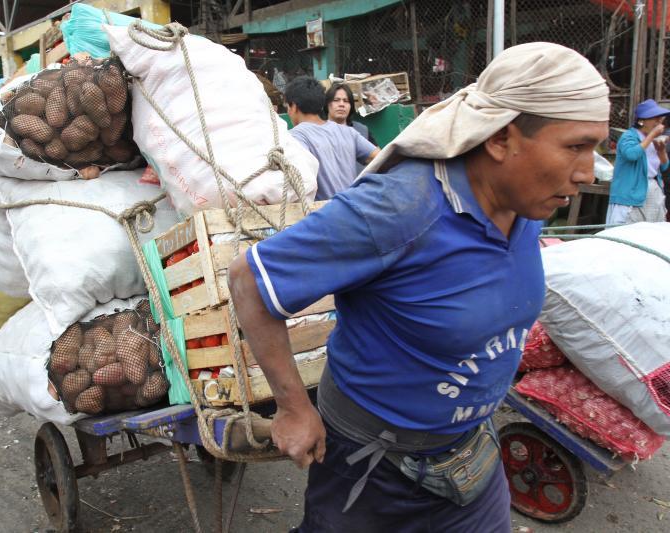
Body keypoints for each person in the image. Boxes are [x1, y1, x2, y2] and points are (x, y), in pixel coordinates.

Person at [228, 42, 610, 532]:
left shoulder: (529, 204)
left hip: (472, 453)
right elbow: (249, 279)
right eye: (575, 146)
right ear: (500, 139)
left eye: (594, 147)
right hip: (374, 468)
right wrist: (293, 408)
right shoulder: (401, 208)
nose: (587, 171)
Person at [285, 76, 379, 200]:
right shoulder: (349, 132)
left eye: (287, 107)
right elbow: (382, 157)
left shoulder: (295, 136)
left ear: (294, 107)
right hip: (353, 209)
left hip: (323, 214)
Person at [607, 99, 670, 225]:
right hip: (631, 193)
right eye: (655, 119)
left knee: (651, 233)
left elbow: (664, 167)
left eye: (660, 119)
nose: (659, 122)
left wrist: (661, 151)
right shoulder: (629, 136)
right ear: (641, 121)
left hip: (653, 191)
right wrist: (651, 136)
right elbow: (631, 155)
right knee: (626, 232)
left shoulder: (656, 139)